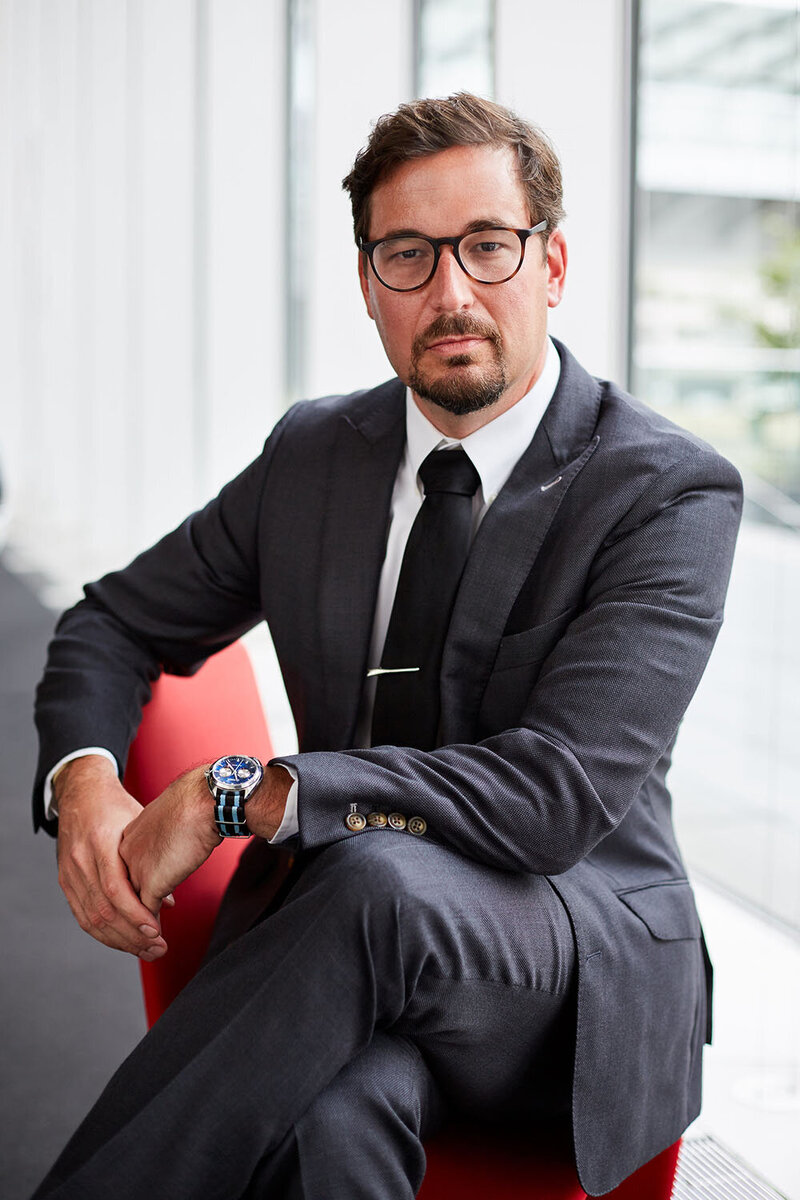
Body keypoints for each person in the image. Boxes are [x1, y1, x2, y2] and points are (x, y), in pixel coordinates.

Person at [32, 93, 742, 1199]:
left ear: (550, 266)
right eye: (408, 255)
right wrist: (82, 784)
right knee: (338, 1113)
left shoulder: (662, 491)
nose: (450, 292)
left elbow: (551, 797)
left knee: (373, 881)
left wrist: (240, 792)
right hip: (348, 957)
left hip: (565, 965)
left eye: (487, 248)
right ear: (368, 284)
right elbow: (115, 620)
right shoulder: (316, 452)